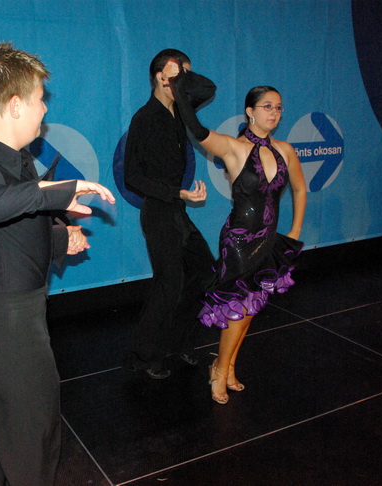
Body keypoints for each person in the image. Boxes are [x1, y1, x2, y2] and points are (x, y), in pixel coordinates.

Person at [0, 42, 115, 486]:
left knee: (26, 448)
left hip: (11, 323)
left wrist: (59, 237)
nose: (44, 109)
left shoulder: (16, 163)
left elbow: (11, 232)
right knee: (30, 455)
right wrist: (49, 193)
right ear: (15, 106)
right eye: (39, 99)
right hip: (3, 331)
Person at [171, 72, 307, 404]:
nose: (274, 113)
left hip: (269, 240)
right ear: (250, 111)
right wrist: (179, 89)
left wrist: (295, 231)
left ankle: (228, 366)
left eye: (278, 108)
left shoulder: (286, 150)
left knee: (250, 310)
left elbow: (300, 189)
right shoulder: (235, 148)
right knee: (238, 310)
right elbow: (197, 130)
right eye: (267, 106)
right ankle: (219, 371)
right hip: (239, 242)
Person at [123, 49, 216, 379]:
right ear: (161, 77)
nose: (186, 81)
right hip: (159, 211)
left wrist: (183, 77)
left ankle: (179, 341)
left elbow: (208, 88)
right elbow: (132, 176)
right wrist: (176, 193)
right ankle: (144, 355)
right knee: (169, 284)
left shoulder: (180, 110)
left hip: (177, 211)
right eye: (179, 74)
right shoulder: (144, 119)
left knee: (204, 270)